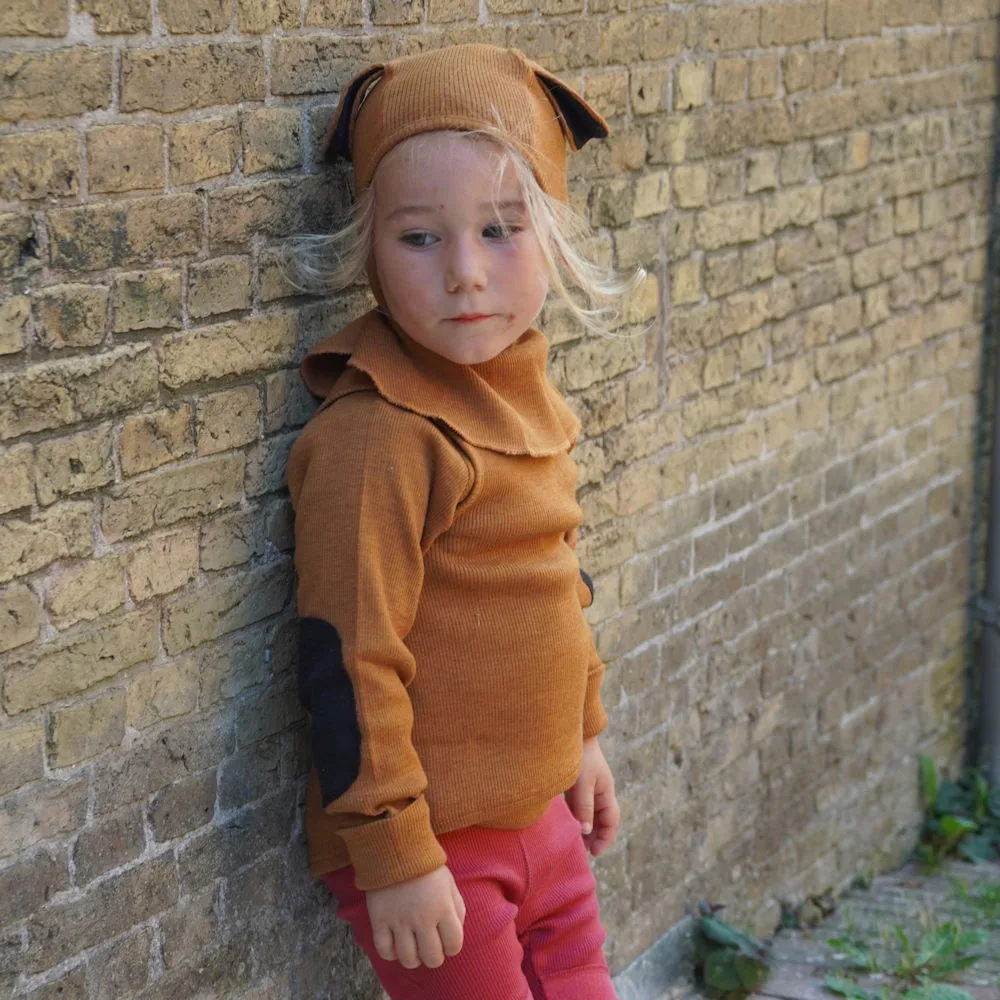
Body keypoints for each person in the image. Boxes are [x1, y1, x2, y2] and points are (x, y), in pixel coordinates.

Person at [286, 42, 648, 1000]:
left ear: (552, 235)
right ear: (367, 249)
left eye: (499, 230)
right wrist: (395, 853)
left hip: (543, 818)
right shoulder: (381, 435)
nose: (465, 274)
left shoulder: (523, 391)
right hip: (436, 847)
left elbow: (555, 584)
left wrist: (583, 736)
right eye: (419, 239)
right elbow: (348, 656)